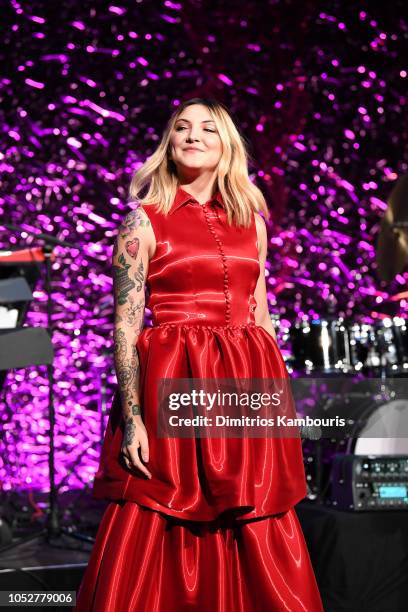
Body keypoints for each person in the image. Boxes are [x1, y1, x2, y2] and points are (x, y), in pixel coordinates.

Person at [75, 97, 324, 611]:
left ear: (226, 144)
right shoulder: (142, 223)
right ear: (169, 144)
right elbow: (125, 326)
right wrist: (134, 416)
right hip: (175, 377)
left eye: (207, 129)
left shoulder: (252, 222)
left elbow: (260, 314)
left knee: (254, 501)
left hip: (245, 381)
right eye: (181, 128)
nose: (193, 135)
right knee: (165, 501)